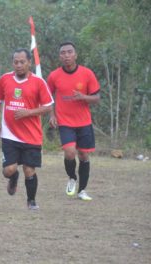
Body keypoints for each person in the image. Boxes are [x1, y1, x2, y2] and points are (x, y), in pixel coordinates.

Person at [0, 48, 53, 210]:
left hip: (31, 135)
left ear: (29, 63)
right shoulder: (4, 79)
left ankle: (31, 201)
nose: (18, 65)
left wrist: (29, 112)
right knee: (8, 170)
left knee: (29, 169)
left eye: (22, 62)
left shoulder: (39, 82)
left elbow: (48, 107)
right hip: (9, 134)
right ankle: (13, 177)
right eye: (16, 62)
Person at [47, 41, 100, 201]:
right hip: (65, 121)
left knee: (83, 155)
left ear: (75, 55)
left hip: (84, 122)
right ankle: (72, 177)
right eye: (63, 53)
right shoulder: (54, 76)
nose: (66, 55)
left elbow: (97, 98)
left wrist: (83, 97)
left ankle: (82, 190)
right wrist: (51, 115)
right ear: (60, 56)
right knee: (70, 152)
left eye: (70, 52)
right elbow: (48, 98)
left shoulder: (87, 73)